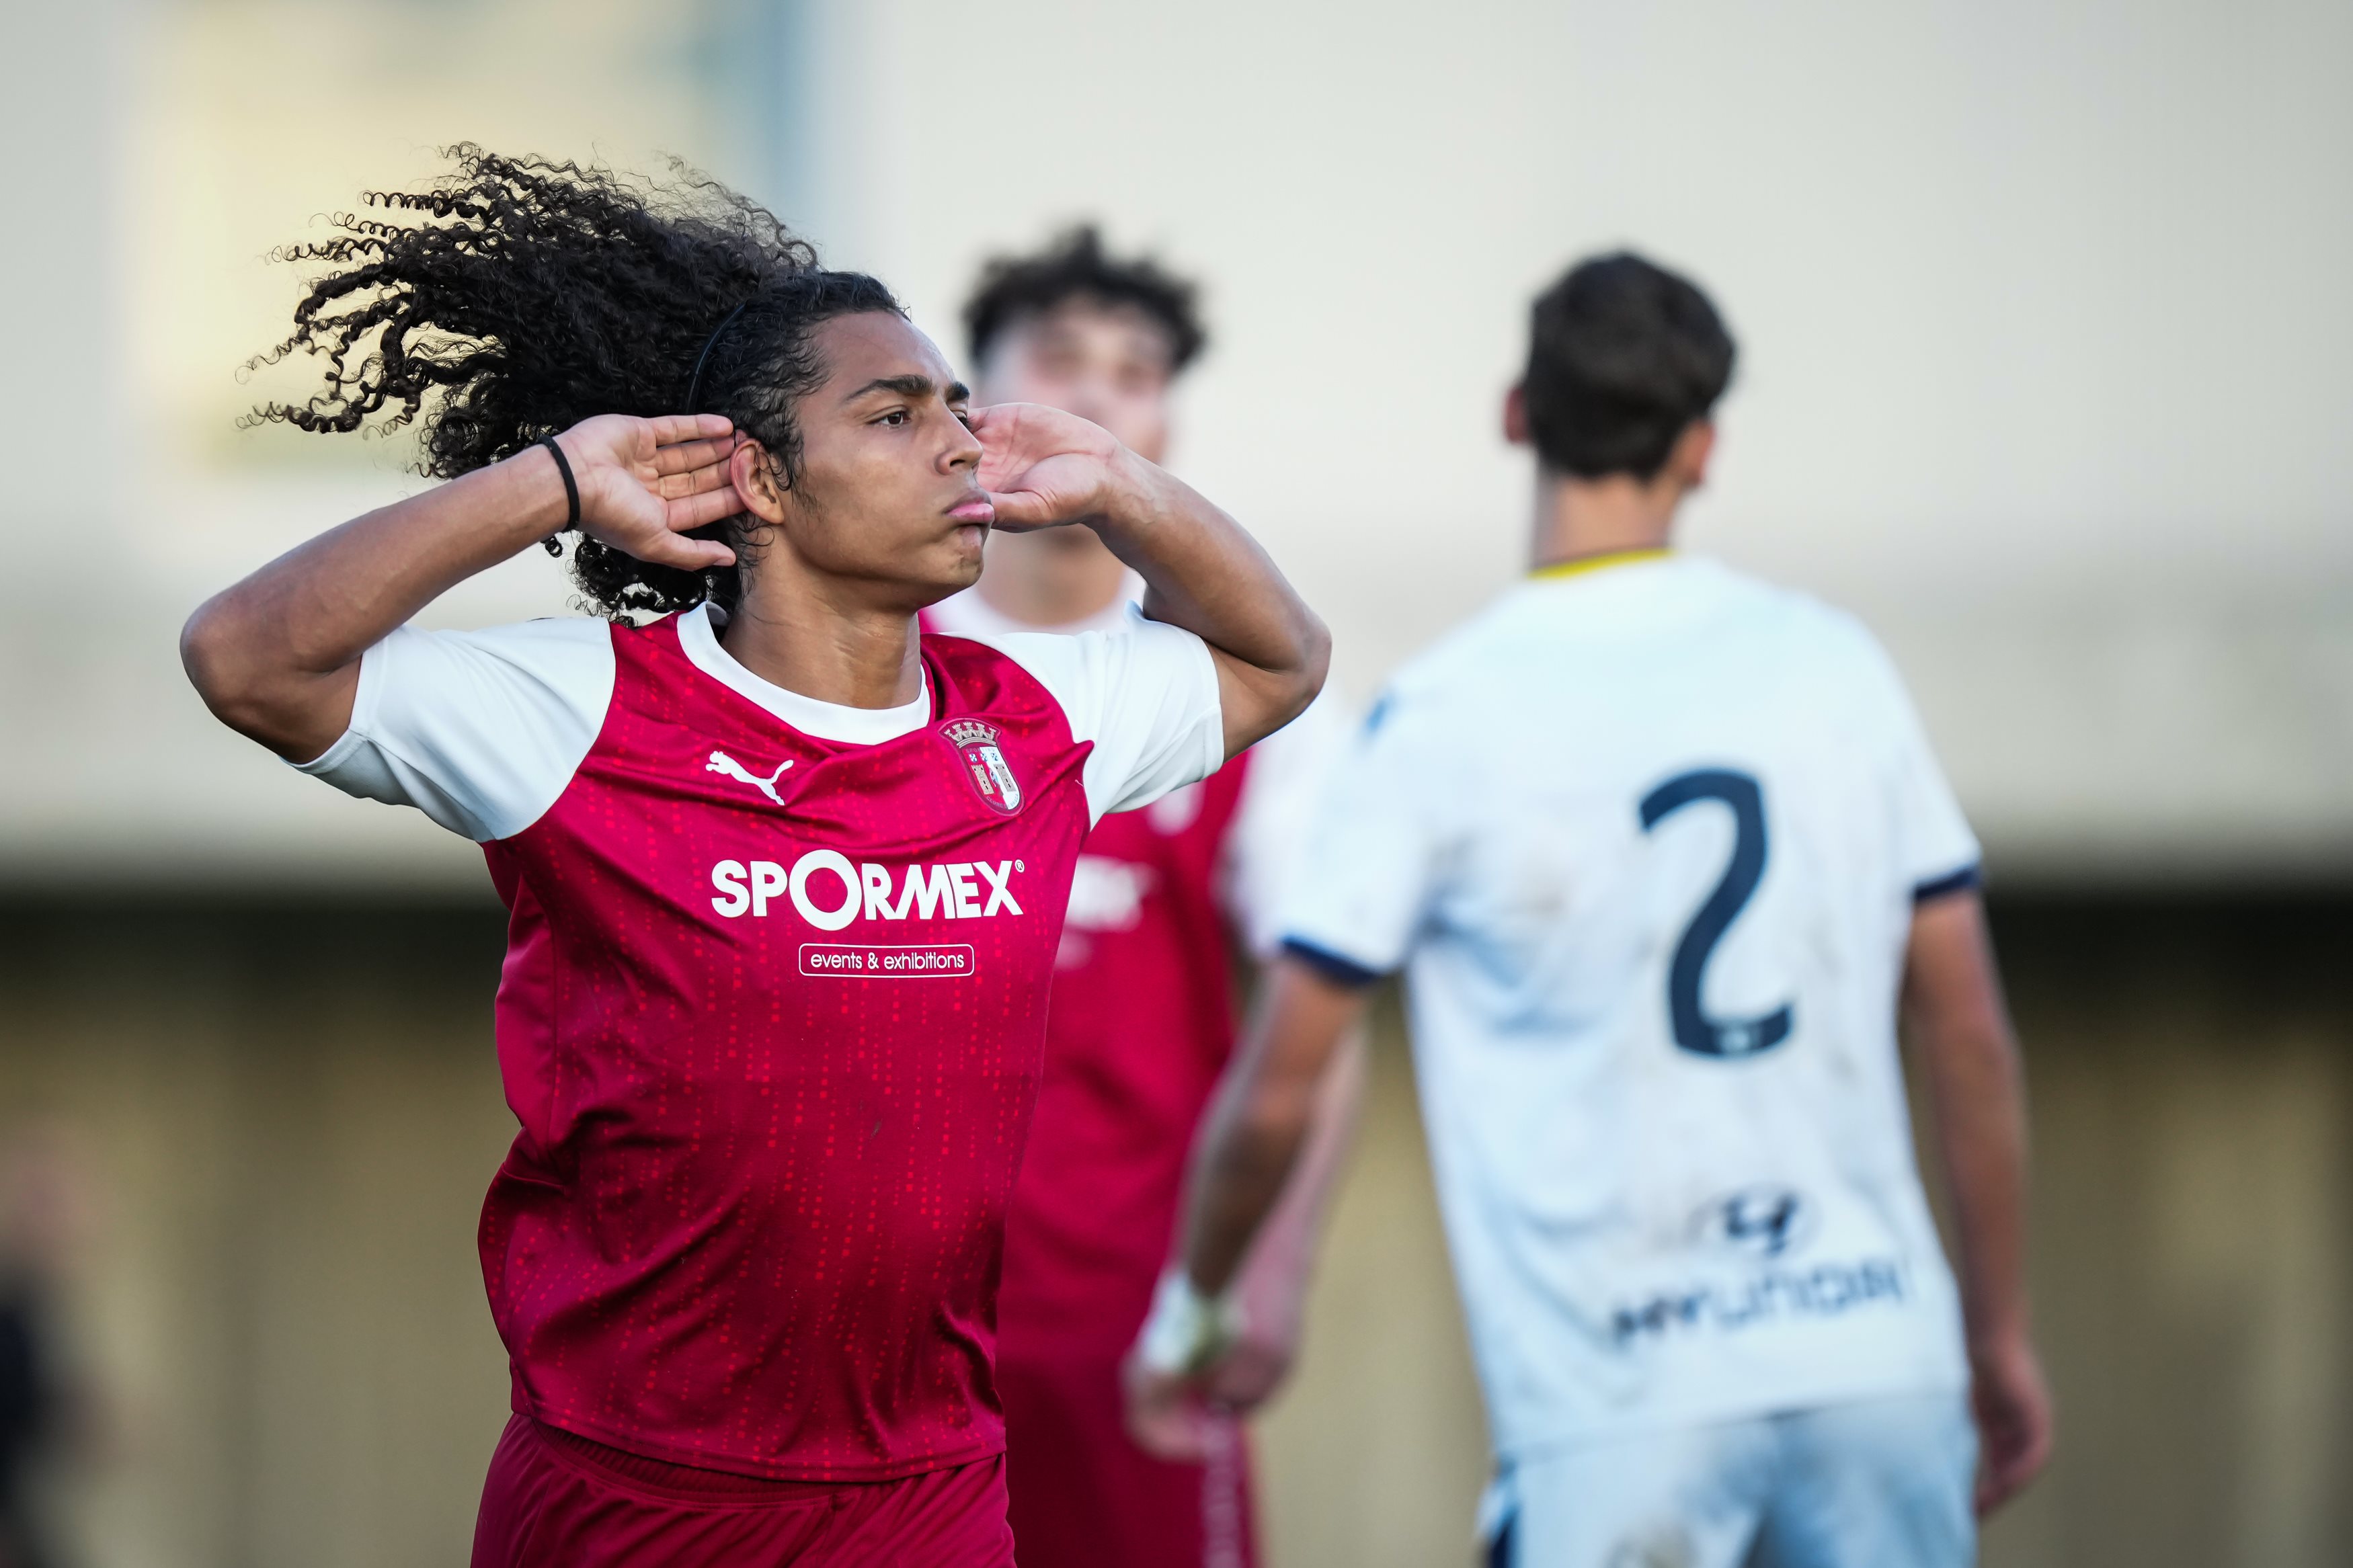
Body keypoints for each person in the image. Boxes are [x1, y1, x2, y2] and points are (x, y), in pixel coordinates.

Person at [179, 147, 1326, 1567]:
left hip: (930, 1493)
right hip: (632, 1494)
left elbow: (1281, 659)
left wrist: (1124, 490)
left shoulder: (1041, 722)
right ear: (759, 480)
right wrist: (551, 483)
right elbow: (245, 658)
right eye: (897, 415)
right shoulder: (583, 708)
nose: (962, 444)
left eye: (957, 410)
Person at [1129, 253, 2053, 1567]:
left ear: (1516, 414)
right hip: (1875, 1370)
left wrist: (1195, 1316)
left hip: (1618, 1409)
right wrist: (1996, 1338)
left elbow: (1280, 1086)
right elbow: (1967, 1036)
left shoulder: (1444, 714)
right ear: (1705, 447)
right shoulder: (1833, 667)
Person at [926, 229, 1359, 1568]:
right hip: (889, 1338)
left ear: (1164, 417)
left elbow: (1318, 1020)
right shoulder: (868, 666)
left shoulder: (1241, 694)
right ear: (970, 400)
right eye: (1058, 360)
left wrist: (1264, 1280)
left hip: (1135, 1334)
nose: (1099, 397)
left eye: (1135, 370)